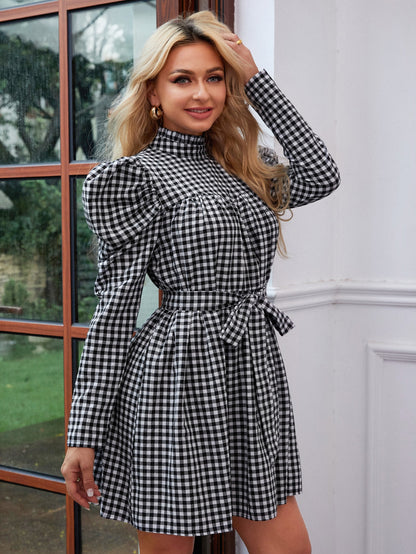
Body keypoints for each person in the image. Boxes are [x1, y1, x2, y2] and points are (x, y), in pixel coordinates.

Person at [61, 10, 340, 554]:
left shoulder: (247, 164)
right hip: (176, 376)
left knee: (288, 546)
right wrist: (84, 434)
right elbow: (115, 310)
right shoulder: (134, 177)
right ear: (154, 93)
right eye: (182, 79)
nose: (202, 93)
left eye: (214, 77)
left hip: (251, 368)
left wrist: (256, 81)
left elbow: (321, 174)